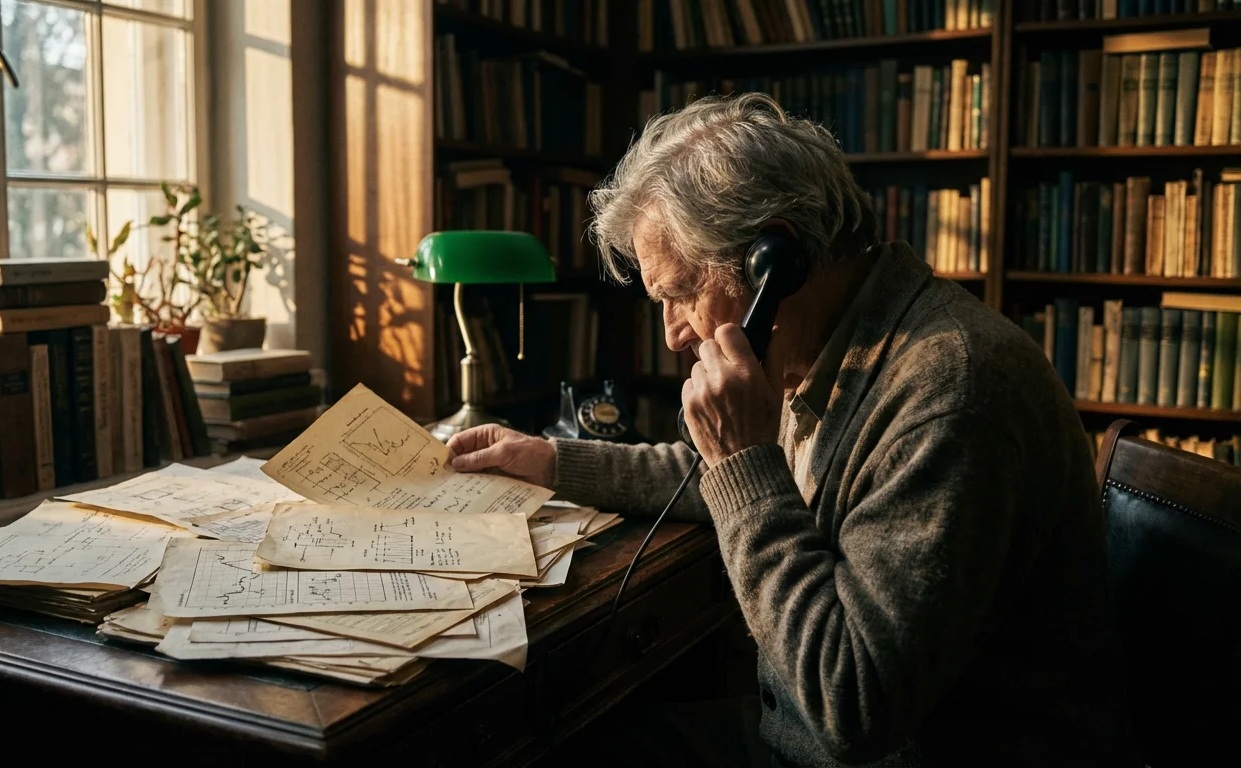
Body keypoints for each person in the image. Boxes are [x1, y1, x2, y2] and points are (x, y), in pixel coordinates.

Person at [447, 93, 1139, 767]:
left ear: (776, 260)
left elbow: (849, 710)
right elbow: (711, 472)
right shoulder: (836, 348)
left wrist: (743, 455)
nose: (674, 336)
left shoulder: (950, 392)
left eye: (682, 292)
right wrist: (550, 460)